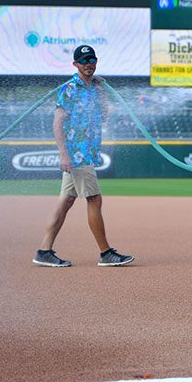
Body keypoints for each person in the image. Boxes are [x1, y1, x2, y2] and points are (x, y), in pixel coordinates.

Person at [33, 45, 134, 268]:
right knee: (94, 199)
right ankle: (106, 252)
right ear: (75, 65)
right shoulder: (69, 89)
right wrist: (64, 154)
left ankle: (44, 250)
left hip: (86, 152)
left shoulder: (93, 88)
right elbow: (57, 122)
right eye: (84, 61)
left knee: (66, 201)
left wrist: (102, 92)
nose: (88, 64)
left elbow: (104, 116)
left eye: (91, 60)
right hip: (77, 155)